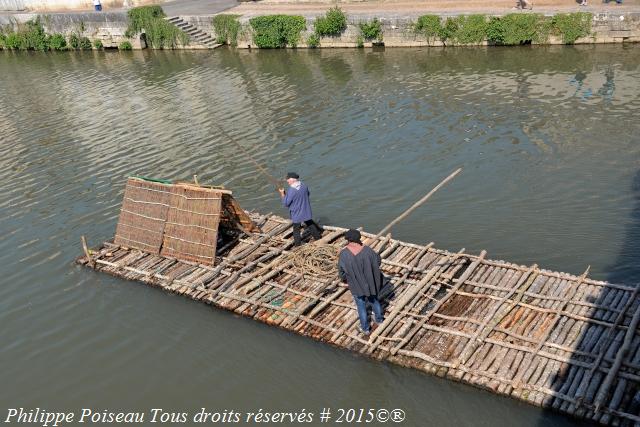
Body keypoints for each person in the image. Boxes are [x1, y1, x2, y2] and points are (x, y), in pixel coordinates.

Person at [338, 229, 385, 336]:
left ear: (348, 240)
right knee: (374, 300)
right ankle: (379, 319)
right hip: (370, 283)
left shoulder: (344, 254)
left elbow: (341, 272)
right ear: (358, 239)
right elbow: (378, 261)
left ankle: (365, 328)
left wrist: (345, 279)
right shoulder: (368, 251)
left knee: (361, 305)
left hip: (356, 285)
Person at [278, 172, 322, 247]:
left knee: (296, 230)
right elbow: (307, 194)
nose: (287, 181)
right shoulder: (304, 185)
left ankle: (297, 245)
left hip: (296, 213)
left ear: (292, 180)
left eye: (288, 179)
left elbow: (286, 203)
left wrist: (282, 193)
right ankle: (318, 238)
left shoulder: (292, 190)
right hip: (305, 209)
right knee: (310, 224)